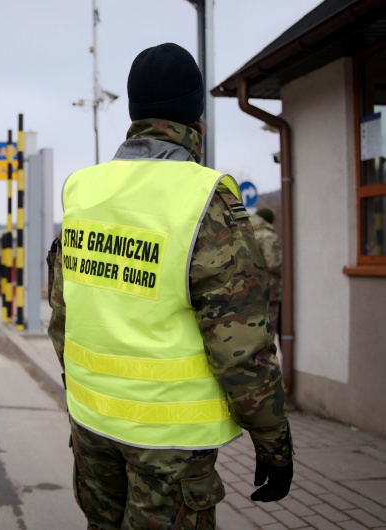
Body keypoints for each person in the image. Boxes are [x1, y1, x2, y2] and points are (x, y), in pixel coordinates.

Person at [47, 43, 292, 529]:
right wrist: (273, 441)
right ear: (195, 115)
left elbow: (62, 316)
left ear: (134, 112)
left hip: (92, 426)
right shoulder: (203, 199)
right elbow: (241, 347)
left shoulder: (83, 190)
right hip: (171, 445)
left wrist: (88, 391)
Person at [251, 208, 282, 342]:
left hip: (246, 290)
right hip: (267, 291)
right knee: (267, 335)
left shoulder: (243, 232)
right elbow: (273, 264)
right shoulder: (267, 236)